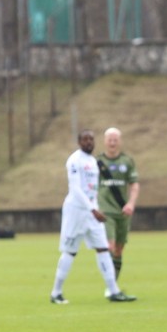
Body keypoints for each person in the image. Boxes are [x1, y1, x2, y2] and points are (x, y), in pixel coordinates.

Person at [49, 130, 137, 304]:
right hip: (76, 211)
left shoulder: (92, 161)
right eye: (85, 139)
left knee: (103, 248)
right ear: (79, 141)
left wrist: (95, 209)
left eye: (91, 139)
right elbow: (75, 189)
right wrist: (92, 209)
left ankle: (113, 291)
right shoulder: (75, 160)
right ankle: (56, 292)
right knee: (70, 251)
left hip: (92, 212)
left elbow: (92, 189)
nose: (88, 142)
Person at [97, 127, 140, 295]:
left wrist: (131, 203)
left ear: (120, 142)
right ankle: (111, 288)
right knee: (110, 245)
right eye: (110, 139)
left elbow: (134, 184)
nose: (112, 142)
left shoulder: (127, 161)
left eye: (115, 139)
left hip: (122, 211)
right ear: (105, 141)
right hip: (105, 211)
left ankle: (112, 285)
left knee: (119, 249)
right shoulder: (97, 162)